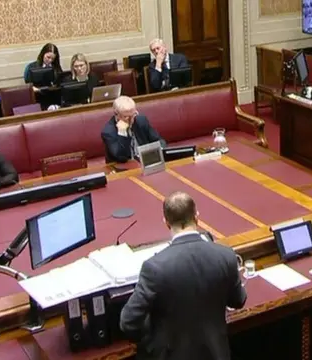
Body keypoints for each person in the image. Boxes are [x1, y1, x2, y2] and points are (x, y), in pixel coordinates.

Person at [120, 191, 247, 360]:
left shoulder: (154, 267)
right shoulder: (226, 256)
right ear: (197, 217)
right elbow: (238, 301)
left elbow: (128, 323)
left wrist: (153, 333)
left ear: (166, 222)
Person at [100, 96, 166, 163]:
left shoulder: (141, 121)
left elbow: (159, 141)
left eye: (133, 115)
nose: (131, 120)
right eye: (126, 117)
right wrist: (122, 133)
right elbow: (121, 157)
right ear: (116, 115)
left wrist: (158, 150)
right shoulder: (108, 132)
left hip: (145, 163)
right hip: (123, 168)